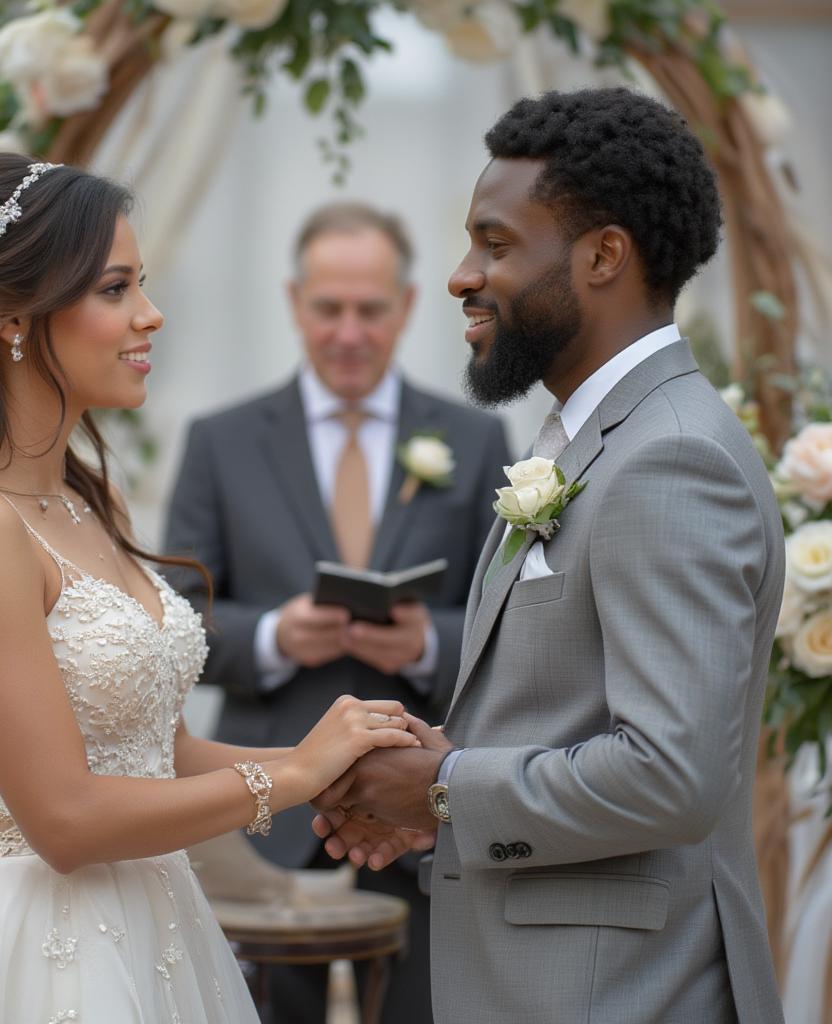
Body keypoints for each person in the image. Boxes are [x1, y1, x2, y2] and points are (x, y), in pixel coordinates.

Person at [0, 153, 425, 1024]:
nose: (151, 314)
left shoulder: (80, 500)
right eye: (115, 289)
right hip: (35, 956)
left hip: (158, 934)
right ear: (14, 313)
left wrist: (336, 758)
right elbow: (62, 819)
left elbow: (155, 754)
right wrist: (291, 775)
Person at [312, 88, 786, 1024]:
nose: (460, 276)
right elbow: (568, 711)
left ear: (603, 255)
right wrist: (433, 789)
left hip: (619, 994)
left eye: (494, 244)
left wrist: (443, 788)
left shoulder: (671, 458)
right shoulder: (591, 435)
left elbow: (669, 773)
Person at [164, 202, 510, 1023]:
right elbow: (175, 620)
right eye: (328, 308)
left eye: (370, 310)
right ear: (294, 302)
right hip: (271, 809)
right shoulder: (222, 439)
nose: (349, 332)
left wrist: (430, 643)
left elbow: (512, 618)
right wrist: (272, 635)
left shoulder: (475, 435)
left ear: (406, 303)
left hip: (425, 795)